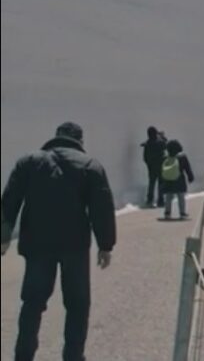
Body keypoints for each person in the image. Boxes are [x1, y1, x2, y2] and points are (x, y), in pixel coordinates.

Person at [1, 122, 116, 361]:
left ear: (55, 137)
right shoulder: (90, 165)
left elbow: (10, 199)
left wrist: (3, 237)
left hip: (37, 244)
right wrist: (106, 245)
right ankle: (73, 356)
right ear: (80, 141)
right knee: (77, 304)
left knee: (32, 303)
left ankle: (23, 356)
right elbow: (101, 207)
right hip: (74, 246)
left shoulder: (29, 162)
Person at [160, 140, 195, 220]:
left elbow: (162, 169)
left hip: (168, 179)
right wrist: (190, 177)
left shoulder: (165, 158)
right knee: (181, 196)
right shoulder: (182, 157)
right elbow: (187, 168)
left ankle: (167, 213)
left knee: (169, 196)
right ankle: (182, 213)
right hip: (179, 179)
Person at [141, 126, 167, 208]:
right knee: (161, 184)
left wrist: (149, 165)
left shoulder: (147, 143)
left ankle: (150, 200)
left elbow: (145, 158)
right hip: (160, 166)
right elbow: (165, 144)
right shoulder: (160, 142)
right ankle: (160, 201)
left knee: (151, 184)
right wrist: (162, 136)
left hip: (152, 168)